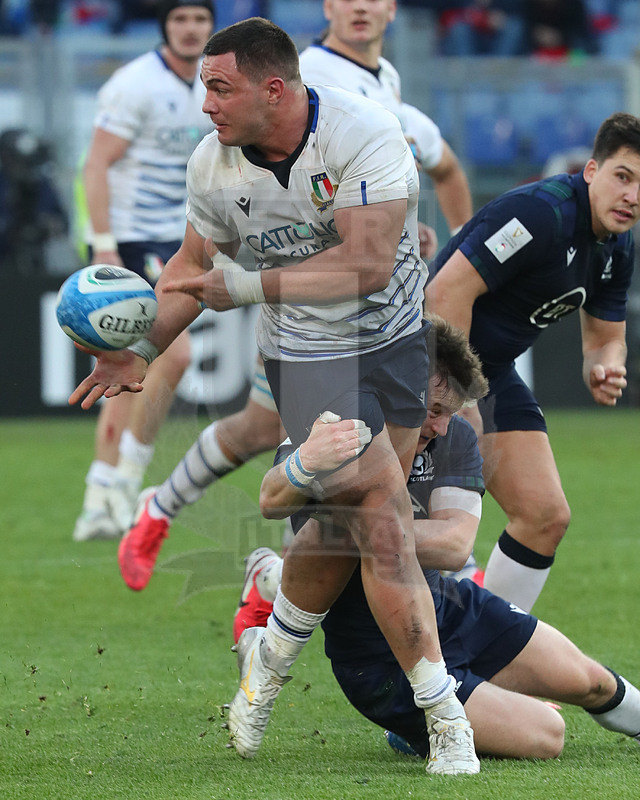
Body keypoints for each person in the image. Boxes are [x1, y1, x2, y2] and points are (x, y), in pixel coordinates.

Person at [69, 17, 480, 776]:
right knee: (385, 523)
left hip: (392, 344)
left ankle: (268, 651)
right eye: (202, 89)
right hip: (307, 359)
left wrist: (243, 286)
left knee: (345, 529)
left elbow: (362, 263)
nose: (206, 106)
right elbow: (191, 272)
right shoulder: (211, 167)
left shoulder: (363, 133)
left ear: (275, 88)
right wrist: (142, 348)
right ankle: (445, 715)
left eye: (220, 88)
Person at [116, 0, 475, 592]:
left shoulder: (383, 91)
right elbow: (198, 259)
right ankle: (180, 524)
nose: (361, 8)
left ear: (392, 9)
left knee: (340, 478)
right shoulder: (291, 73)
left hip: (386, 324)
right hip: (304, 323)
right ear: (328, 8)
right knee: (323, 471)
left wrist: (420, 226)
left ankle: (275, 584)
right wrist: (145, 343)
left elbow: (442, 168)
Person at [247, 315, 640, 762]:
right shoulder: (344, 425)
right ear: (402, 391)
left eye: (450, 413)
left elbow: (455, 545)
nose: (441, 426)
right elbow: (271, 498)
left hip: (449, 610)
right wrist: (306, 464)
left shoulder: (452, 439)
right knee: (548, 733)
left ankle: (274, 581)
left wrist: (369, 527)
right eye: (433, 410)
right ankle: (416, 730)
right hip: (378, 655)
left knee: (592, 681)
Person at [425, 111, 640, 613]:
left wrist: (603, 365)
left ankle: (488, 659)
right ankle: (271, 587)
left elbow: (606, 338)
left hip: (487, 373)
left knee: (544, 516)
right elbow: (444, 292)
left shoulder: (619, 245)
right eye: (623, 177)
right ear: (591, 171)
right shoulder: (540, 216)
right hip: (420, 361)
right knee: (387, 522)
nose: (632, 195)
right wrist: (454, 393)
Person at [72, 0, 216, 542]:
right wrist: (103, 244)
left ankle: (103, 491)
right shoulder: (134, 84)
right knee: (169, 352)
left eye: (199, 20)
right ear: (165, 27)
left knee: (128, 364)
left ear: (211, 27)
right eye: (180, 19)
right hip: (132, 236)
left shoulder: (216, 83)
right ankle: (125, 483)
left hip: (179, 234)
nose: (190, 29)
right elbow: (95, 164)